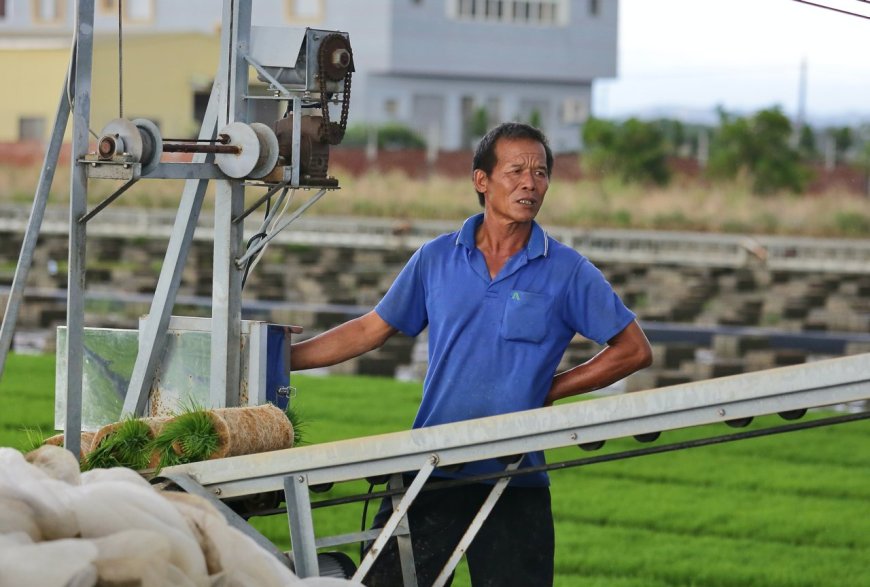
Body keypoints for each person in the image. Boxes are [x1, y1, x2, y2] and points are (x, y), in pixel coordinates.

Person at [290, 122, 652, 586]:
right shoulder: (436, 258)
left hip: (516, 481)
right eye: (516, 170)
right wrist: (285, 358)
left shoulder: (568, 271)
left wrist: (552, 389)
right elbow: (370, 329)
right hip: (428, 471)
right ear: (481, 180)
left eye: (540, 173)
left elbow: (633, 349)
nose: (530, 183)